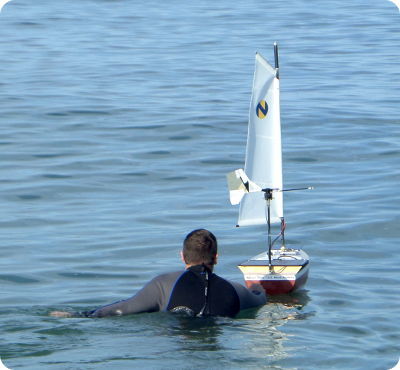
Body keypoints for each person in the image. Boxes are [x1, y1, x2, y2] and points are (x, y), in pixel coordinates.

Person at [50, 229, 266, 318]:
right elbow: (260, 297)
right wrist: (256, 285)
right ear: (216, 258)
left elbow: (122, 309)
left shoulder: (164, 285)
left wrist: (79, 316)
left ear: (182, 257)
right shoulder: (237, 291)